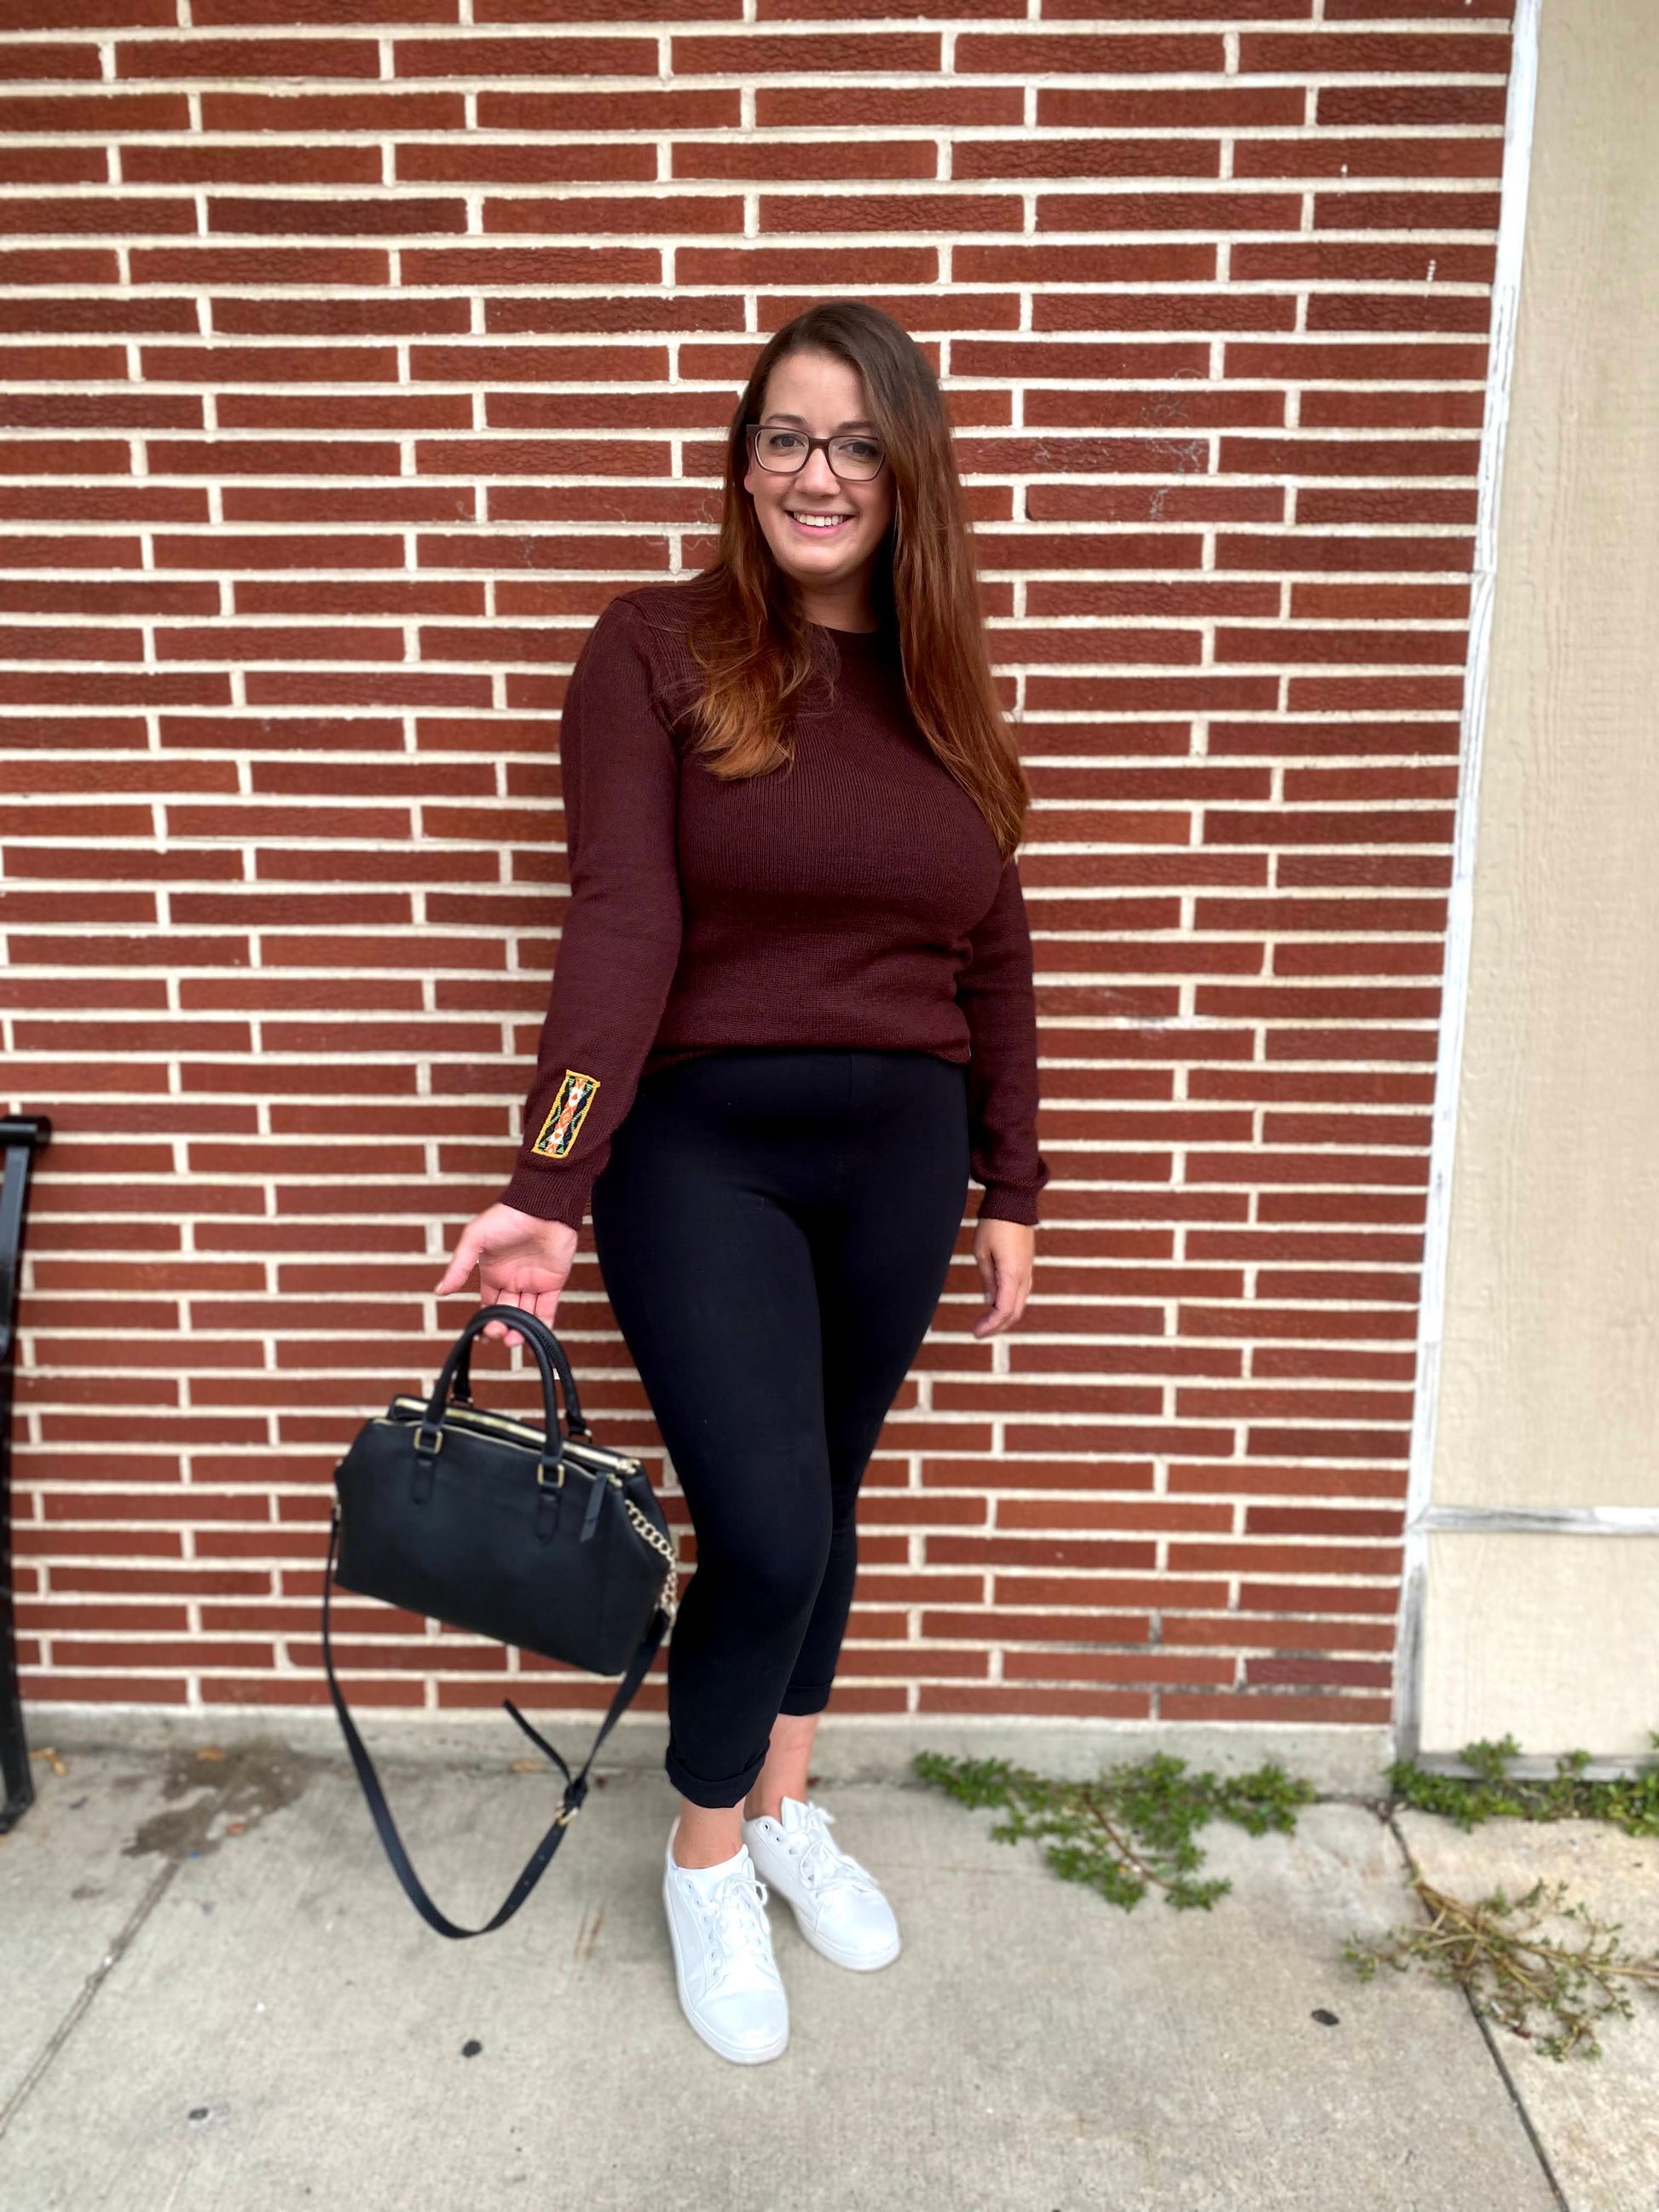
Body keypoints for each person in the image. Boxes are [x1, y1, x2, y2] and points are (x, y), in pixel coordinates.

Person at [435, 301, 1049, 2065]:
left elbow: (992, 955)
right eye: (784, 434)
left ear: (908, 470)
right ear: (741, 460)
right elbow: (620, 922)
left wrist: (1011, 1182)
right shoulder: (652, 650)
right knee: (766, 1522)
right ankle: (707, 1856)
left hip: (900, 1152)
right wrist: (548, 1180)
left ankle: (784, 1802)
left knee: (827, 1499)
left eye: (857, 440)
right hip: (706, 1146)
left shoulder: (945, 691)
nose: (817, 471)